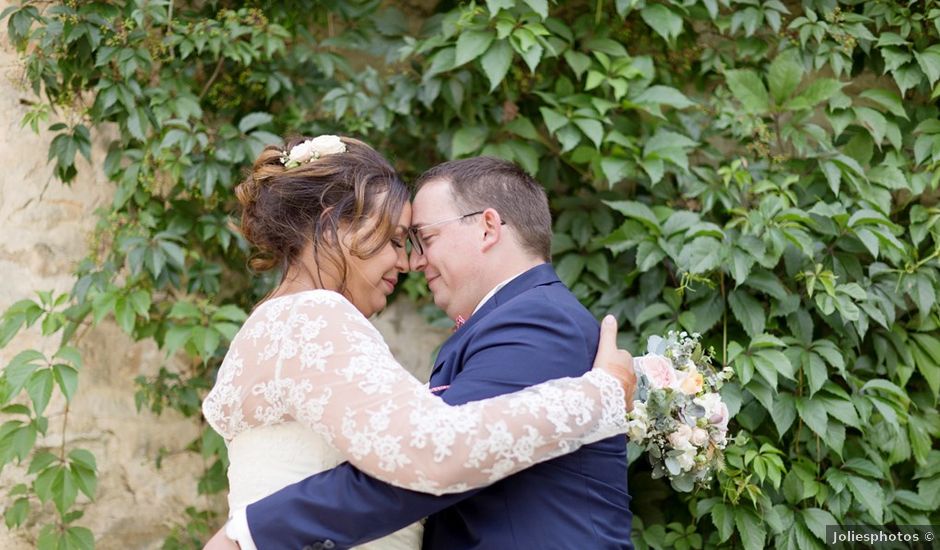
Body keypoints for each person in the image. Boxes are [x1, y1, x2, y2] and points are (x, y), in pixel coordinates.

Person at [202, 138, 637, 549]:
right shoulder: (315, 316)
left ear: (488, 229)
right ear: (332, 224)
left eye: (420, 238)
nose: (409, 261)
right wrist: (601, 394)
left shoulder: (278, 321)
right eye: (396, 240)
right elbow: (432, 449)